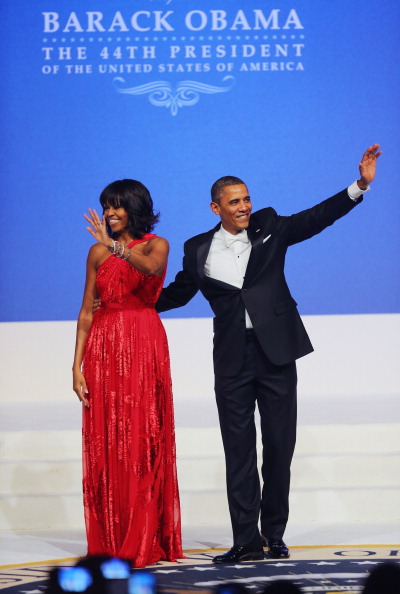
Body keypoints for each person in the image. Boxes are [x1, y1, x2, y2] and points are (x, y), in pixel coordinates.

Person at [155, 144, 382, 563]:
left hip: (276, 352)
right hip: (231, 357)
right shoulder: (196, 248)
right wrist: (134, 306)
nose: (244, 207)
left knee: (279, 446)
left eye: (246, 199)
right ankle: (246, 540)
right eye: (234, 202)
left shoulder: (272, 227)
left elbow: (315, 219)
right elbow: (179, 293)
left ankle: (273, 534)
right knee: (237, 449)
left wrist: (359, 186)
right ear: (215, 207)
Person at [72, 179, 183, 568]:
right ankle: (111, 537)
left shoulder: (157, 245)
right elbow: (87, 310)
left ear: (135, 208)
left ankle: (145, 534)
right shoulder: (97, 252)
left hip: (143, 345)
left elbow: (151, 269)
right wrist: (76, 366)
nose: (109, 214)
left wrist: (117, 246)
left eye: (117, 207)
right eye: (106, 207)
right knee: (107, 441)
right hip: (103, 349)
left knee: (141, 437)